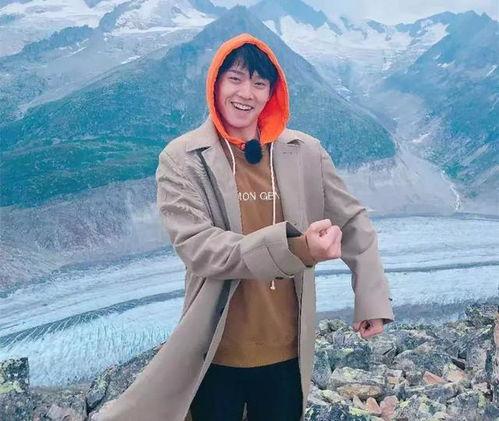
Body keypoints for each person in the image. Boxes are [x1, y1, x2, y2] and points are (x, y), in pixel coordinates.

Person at [91, 33, 394, 421]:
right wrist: (297, 248)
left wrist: (371, 298)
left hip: (287, 352)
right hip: (217, 354)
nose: (245, 93)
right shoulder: (183, 158)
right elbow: (199, 247)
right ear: (215, 84)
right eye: (234, 78)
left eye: (259, 83)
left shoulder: (305, 152)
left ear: (272, 94)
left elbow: (352, 221)